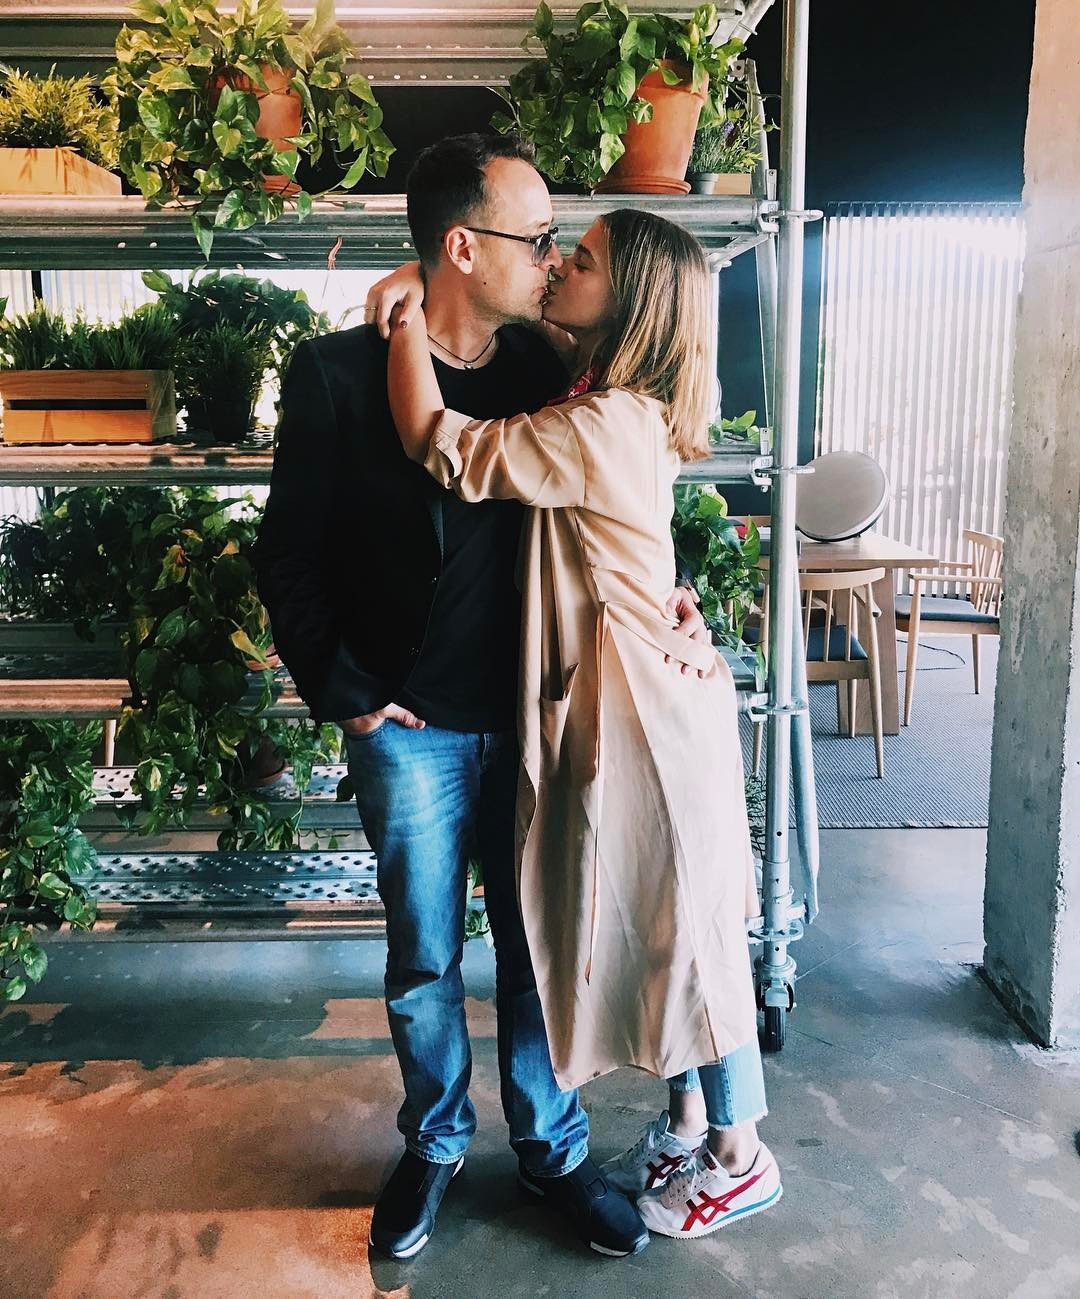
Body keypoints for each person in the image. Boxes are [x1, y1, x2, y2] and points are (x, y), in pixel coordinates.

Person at [255, 133, 708, 1262]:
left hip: (540, 720)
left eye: (563, 247)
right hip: (406, 726)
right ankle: (436, 1143)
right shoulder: (336, 373)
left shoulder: (549, 374)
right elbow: (288, 555)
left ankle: (552, 1149)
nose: (553, 259)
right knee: (422, 958)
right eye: (539, 238)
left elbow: (622, 502)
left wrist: (671, 594)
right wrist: (347, 692)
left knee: (539, 950)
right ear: (464, 246)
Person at [383, 205, 783, 1241]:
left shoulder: (599, 424)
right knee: (673, 922)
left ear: (631, 301)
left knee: (692, 940)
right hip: (648, 696)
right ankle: (691, 1127)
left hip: (645, 715)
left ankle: (740, 1154)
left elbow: (441, 446)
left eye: (585, 258)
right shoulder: (616, 405)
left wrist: (404, 319)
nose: (558, 262)